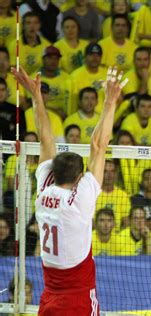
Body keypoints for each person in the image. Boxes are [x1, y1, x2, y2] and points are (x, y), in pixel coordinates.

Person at [12, 64, 126, 314]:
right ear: (77, 179)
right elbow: (98, 144)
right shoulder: (78, 201)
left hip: (50, 295)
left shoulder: (42, 193)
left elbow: (46, 139)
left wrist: (36, 97)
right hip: (77, 296)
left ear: (53, 173)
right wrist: (110, 101)